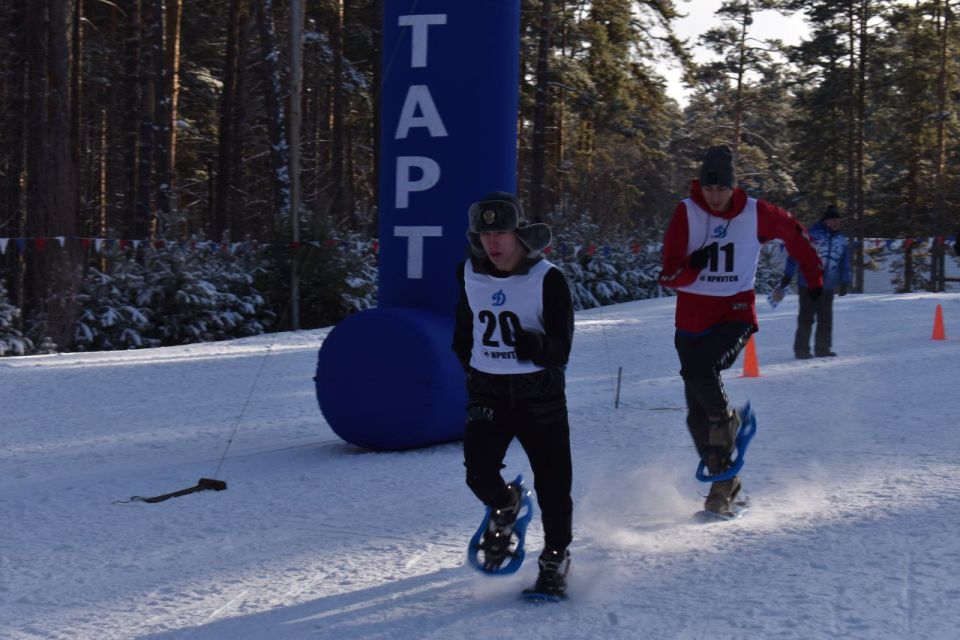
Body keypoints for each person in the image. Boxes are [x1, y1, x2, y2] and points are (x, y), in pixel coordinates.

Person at [658, 145, 824, 516]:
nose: (715, 197)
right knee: (695, 414)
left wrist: (813, 277)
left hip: (734, 311)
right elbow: (667, 273)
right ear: (700, 184)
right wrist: (690, 268)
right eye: (709, 189)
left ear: (734, 186)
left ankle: (728, 419)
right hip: (690, 320)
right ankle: (724, 479)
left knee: (703, 371)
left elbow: (797, 235)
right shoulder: (686, 212)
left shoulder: (756, 213)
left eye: (722, 190)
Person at [452, 191, 574, 597]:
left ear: (519, 235)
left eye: (502, 231)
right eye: (485, 234)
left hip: (540, 397)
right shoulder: (469, 273)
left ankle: (555, 558)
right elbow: (464, 331)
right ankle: (506, 506)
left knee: (554, 484)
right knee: (478, 472)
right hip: (487, 392)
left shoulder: (548, 279)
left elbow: (562, 348)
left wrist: (536, 347)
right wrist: (471, 366)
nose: (493, 242)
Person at [780, 204, 852, 358]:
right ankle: (802, 350)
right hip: (808, 284)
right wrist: (788, 275)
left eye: (839, 221)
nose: (837, 223)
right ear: (826, 221)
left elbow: (844, 262)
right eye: (834, 220)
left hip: (828, 286)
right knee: (806, 318)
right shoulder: (811, 234)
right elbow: (794, 255)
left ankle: (823, 349)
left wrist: (845, 281)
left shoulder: (841, 239)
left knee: (826, 319)